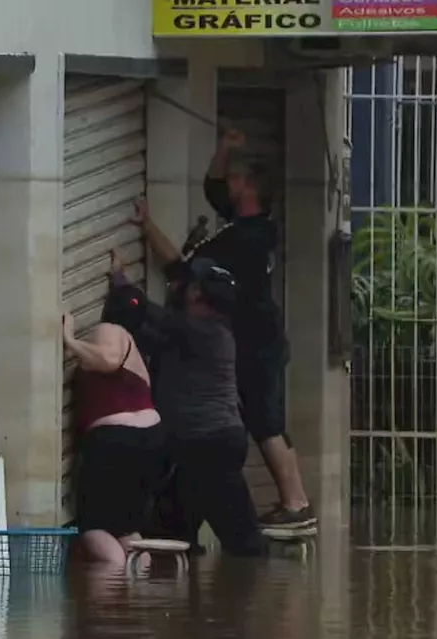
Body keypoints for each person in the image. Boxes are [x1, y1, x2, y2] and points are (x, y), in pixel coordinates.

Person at [131, 127, 315, 530]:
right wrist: (225, 149)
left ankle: (296, 503)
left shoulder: (241, 242)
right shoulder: (255, 225)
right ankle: (297, 501)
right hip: (263, 341)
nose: (225, 181)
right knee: (271, 422)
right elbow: (214, 189)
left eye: (235, 176)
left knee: (266, 423)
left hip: (255, 345)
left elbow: (180, 267)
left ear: (248, 189)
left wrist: (147, 226)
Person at [112, 252, 266, 557]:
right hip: (195, 448)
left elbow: (142, 310)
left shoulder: (199, 331)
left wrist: (121, 284)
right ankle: (193, 602)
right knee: (170, 536)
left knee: (246, 546)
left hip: (210, 448)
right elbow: (149, 337)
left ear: (196, 293)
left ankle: (264, 595)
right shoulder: (199, 334)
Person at [62, 292, 165, 565]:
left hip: (116, 442)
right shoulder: (139, 355)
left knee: (94, 525)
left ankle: (107, 591)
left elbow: (108, 360)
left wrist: (70, 341)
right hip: (150, 440)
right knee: (125, 528)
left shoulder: (110, 330)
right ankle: (135, 593)